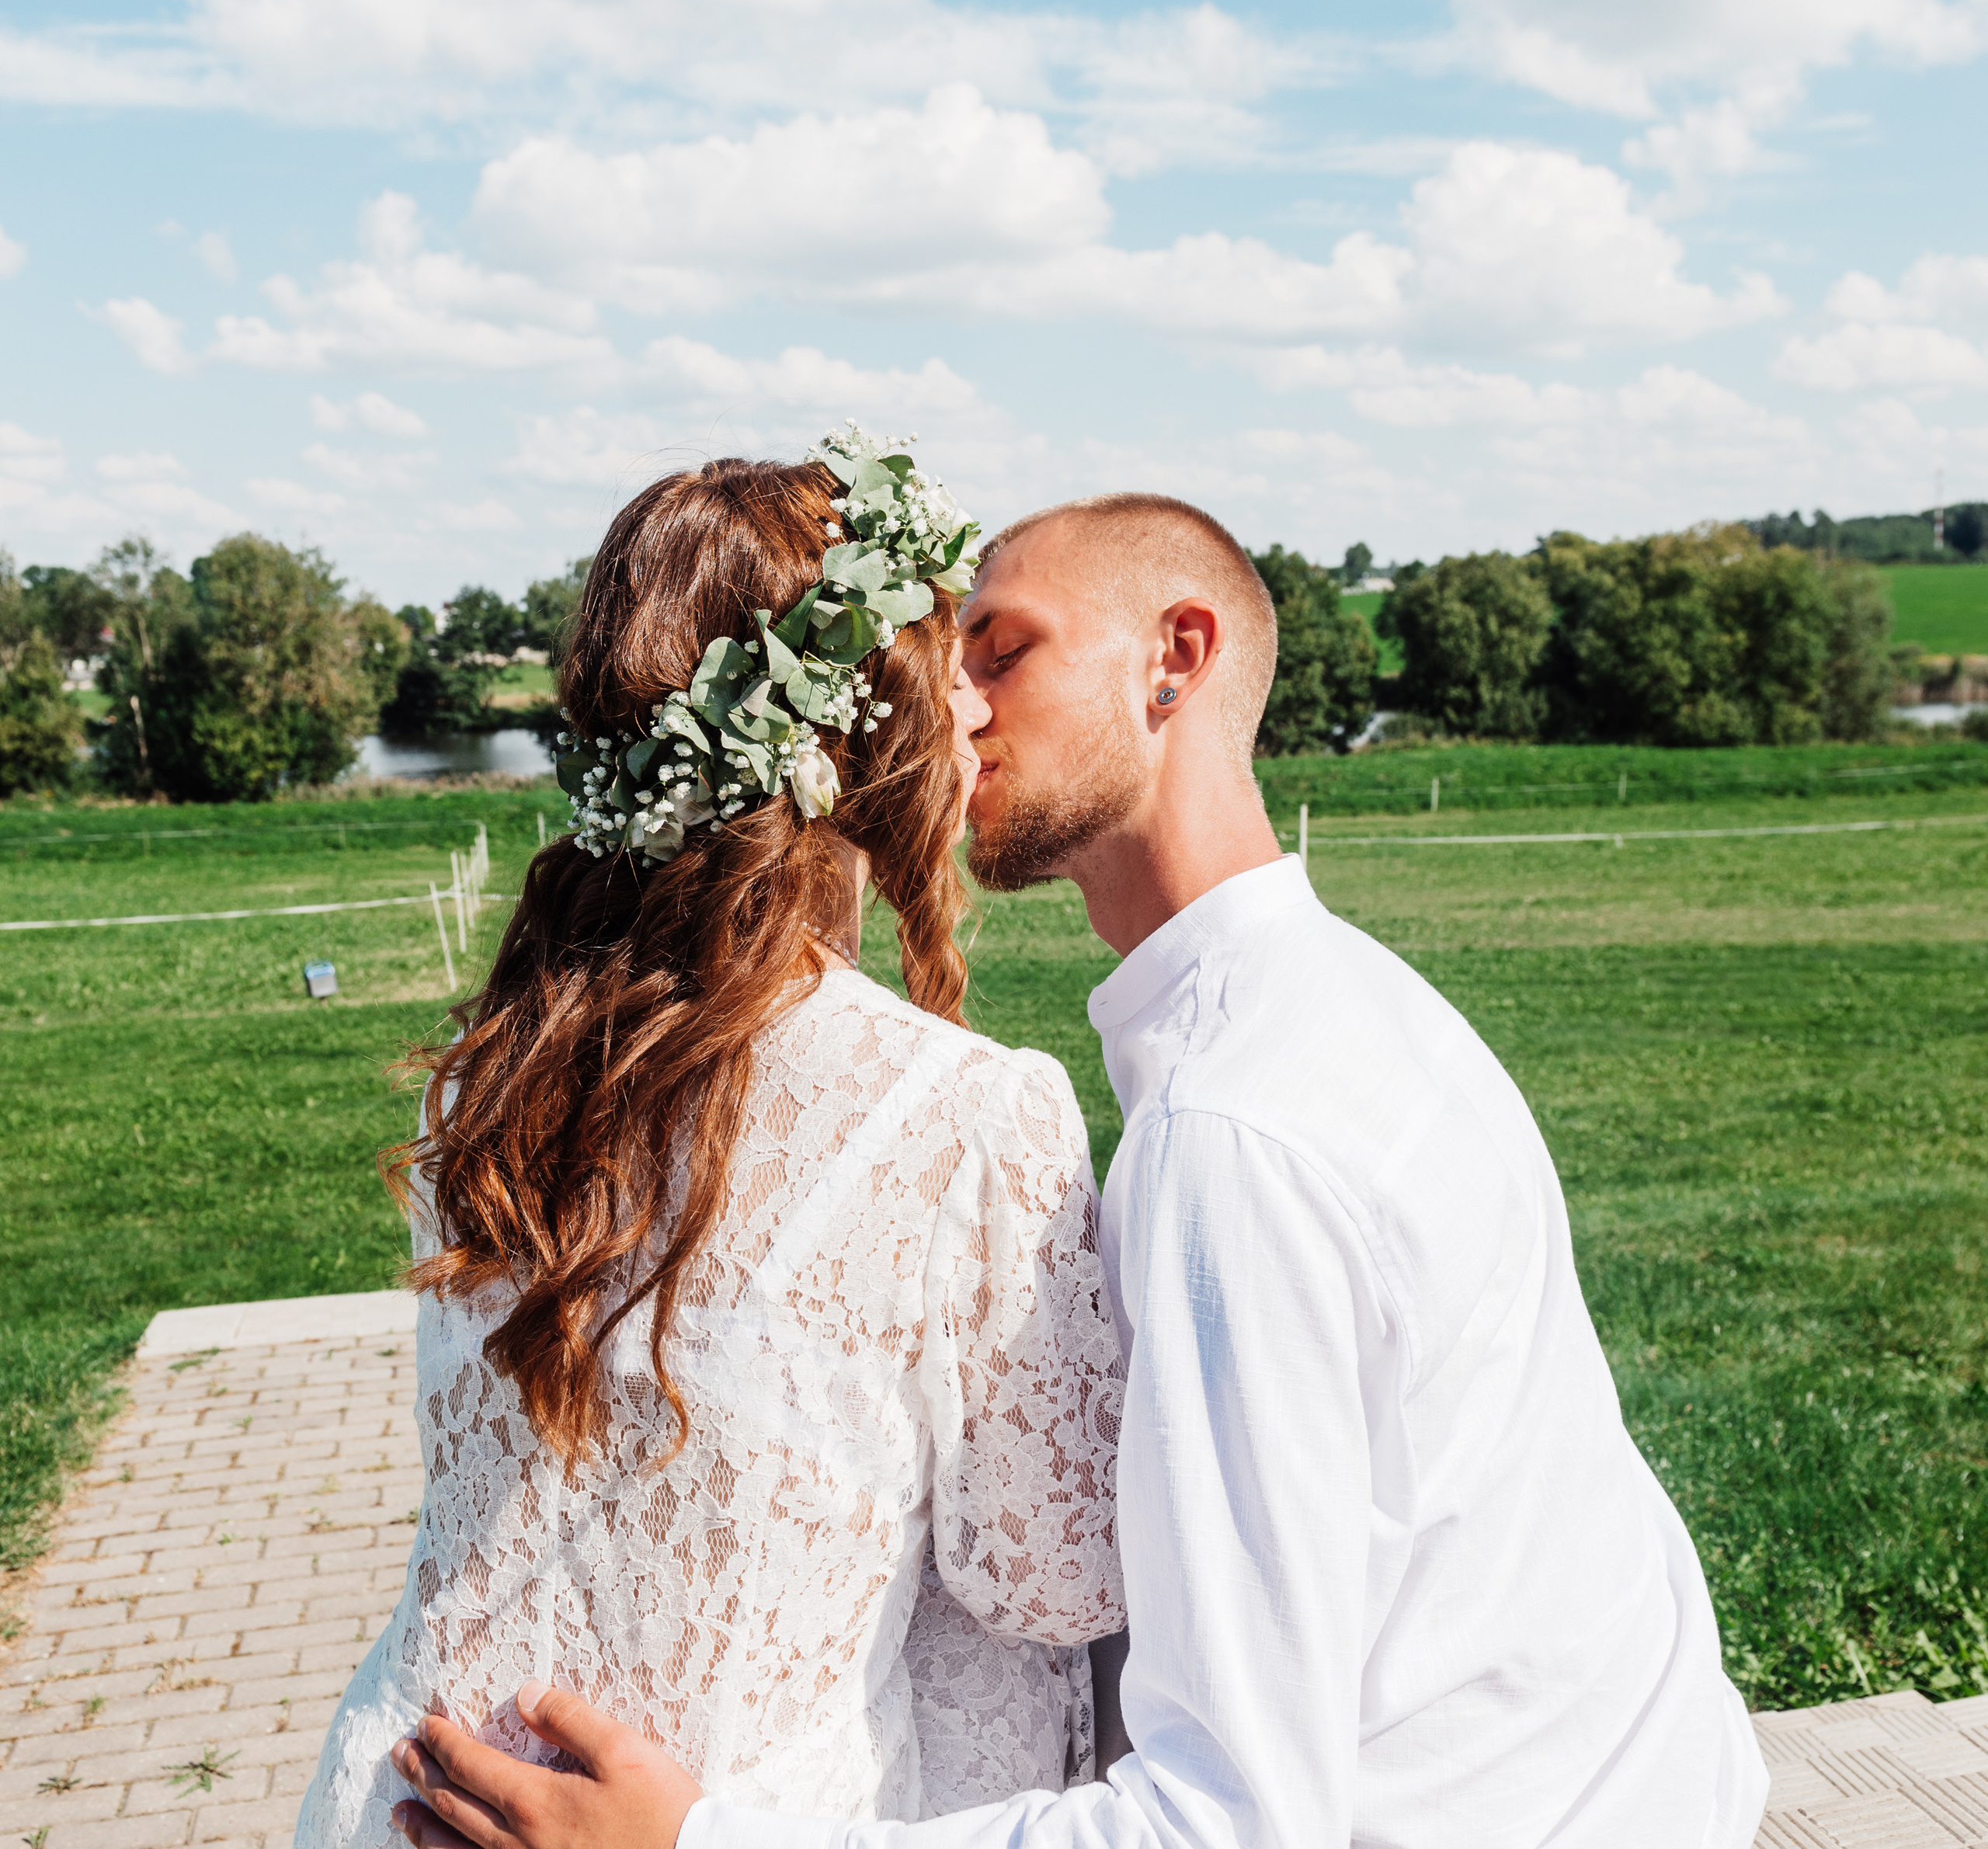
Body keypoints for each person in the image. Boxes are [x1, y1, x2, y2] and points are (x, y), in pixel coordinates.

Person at [387, 492, 1771, 1849]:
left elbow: (1230, 1821)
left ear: (1176, 658)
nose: (956, 713)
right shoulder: (1356, 1010)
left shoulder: (1236, 1139)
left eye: (1003, 652)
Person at [296, 437, 1128, 1849]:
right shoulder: (970, 1115)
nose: (974, 716)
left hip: (411, 1788)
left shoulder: (487, 1077)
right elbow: (1049, 1580)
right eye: (943, 666)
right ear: (864, 724)